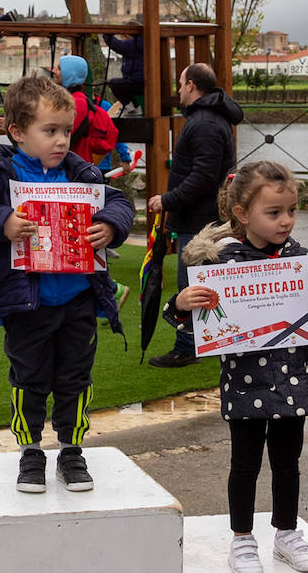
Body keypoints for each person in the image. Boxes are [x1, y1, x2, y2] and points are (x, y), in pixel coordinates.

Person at [171, 159, 308, 573]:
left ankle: (287, 533)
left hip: (295, 377)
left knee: (288, 463)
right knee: (245, 464)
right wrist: (182, 303)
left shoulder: (300, 257)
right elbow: (190, 320)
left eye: (291, 210)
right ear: (242, 214)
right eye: (274, 213)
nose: (285, 220)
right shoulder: (223, 261)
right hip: (246, 382)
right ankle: (242, 538)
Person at [0, 73, 134, 493]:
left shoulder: (80, 171)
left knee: (76, 378)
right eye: (49, 131)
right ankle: (30, 452)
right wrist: (4, 220)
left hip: (78, 301)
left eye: (66, 130)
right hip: (26, 306)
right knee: (29, 379)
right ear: (17, 132)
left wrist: (109, 224)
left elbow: (121, 201)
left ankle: (71, 449)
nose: (61, 140)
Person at [147, 62, 243, 368]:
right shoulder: (210, 119)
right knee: (203, 281)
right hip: (202, 216)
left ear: (191, 85)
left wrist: (168, 199)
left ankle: (188, 345)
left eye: (180, 83)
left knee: (192, 283)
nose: (177, 89)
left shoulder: (203, 123)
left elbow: (203, 177)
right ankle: (204, 342)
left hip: (201, 221)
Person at [56, 55, 128, 310]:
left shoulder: (74, 103)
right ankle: (107, 291)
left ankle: (111, 290)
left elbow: (67, 137)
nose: (54, 71)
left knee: (77, 240)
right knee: (77, 239)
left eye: (59, 68)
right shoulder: (82, 100)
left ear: (70, 74)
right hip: (81, 173)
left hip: (75, 176)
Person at [102, 27, 145, 112]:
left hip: (136, 80)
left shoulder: (135, 44)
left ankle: (132, 108)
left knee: (114, 84)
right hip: (139, 79)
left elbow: (117, 45)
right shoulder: (141, 43)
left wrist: (107, 34)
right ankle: (132, 107)